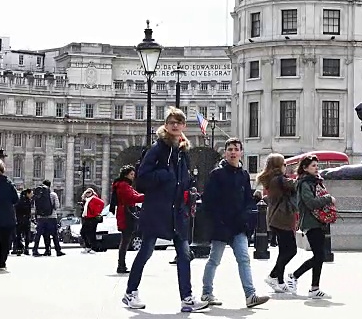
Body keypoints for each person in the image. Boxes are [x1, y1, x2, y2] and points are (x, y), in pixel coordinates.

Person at [122, 107, 208, 312]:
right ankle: (130, 292)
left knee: (184, 254)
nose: (175, 125)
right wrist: (165, 175)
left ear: (184, 126)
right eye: (171, 122)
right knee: (146, 251)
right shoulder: (157, 149)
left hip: (177, 211)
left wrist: (190, 188)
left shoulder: (183, 151)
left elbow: (184, 179)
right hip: (157, 210)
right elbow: (142, 178)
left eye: (179, 122)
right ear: (166, 125)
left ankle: (187, 298)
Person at [200, 138, 270, 308]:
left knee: (244, 258)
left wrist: (247, 216)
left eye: (236, 149)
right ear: (225, 152)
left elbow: (248, 198)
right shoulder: (217, 174)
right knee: (214, 260)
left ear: (241, 153)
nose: (233, 152)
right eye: (230, 149)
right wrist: (218, 220)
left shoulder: (244, 174)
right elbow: (208, 200)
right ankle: (206, 293)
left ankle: (250, 295)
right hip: (221, 225)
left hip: (238, 225)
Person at [285, 154, 334, 299]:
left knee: (319, 256)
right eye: (313, 166)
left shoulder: (314, 181)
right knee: (319, 255)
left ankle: (315, 288)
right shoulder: (304, 183)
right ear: (305, 168)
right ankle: (294, 276)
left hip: (318, 222)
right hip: (310, 222)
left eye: (317, 166)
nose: (316, 168)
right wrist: (328, 199)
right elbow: (310, 202)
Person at [257, 153, 298, 293]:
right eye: (284, 165)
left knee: (284, 251)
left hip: (278, 218)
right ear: (278, 166)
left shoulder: (273, 180)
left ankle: (277, 279)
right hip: (281, 219)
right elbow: (295, 185)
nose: (286, 167)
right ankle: (275, 277)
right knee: (291, 250)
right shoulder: (278, 180)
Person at [112, 165, 144, 273]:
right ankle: (121, 265)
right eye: (131, 174)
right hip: (126, 213)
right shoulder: (123, 185)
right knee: (125, 240)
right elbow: (132, 197)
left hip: (126, 212)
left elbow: (135, 195)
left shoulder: (125, 185)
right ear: (126, 175)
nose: (133, 177)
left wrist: (144, 195)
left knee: (126, 240)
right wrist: (147, 196)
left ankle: (122, 265)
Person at [32, 180, 65, 257]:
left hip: (41, 217)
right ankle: (58, 250)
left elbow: (35, 205)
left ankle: (41, 250)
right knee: (54, 235)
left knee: (41, 234)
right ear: (50, 186)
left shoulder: (39, 194)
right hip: (51, 217)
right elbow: (57, 206)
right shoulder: (53, 194)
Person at [80, 188, 105, 254]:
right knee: (83, 232)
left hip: (93, 218)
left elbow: (102, 203)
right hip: (86, 218)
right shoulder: (86, 200)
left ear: (92, 193)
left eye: (89, 192)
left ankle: (94, 248)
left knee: (92, 233)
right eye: (87, 192)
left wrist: (97, 211)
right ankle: (88, 246)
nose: (88, 194)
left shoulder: (94, 198)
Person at [13, 189, 33, 256]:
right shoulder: (28, 201)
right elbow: (28, 211)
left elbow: (16, 209)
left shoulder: (18, 200)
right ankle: (26, 248)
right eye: (31, 194)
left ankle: (18, 248)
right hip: (26, 220)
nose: (32, 195)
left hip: (19, 220)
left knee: (18, 235)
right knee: (27, 235)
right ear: (27, 193)